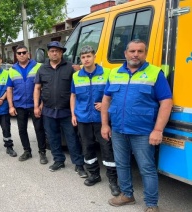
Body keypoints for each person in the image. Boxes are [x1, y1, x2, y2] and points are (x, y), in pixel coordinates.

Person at [101, 39, 173, 212]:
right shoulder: (114, 73)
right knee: (122, 164)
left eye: (140, 51)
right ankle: (127, 195)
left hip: (143, 131)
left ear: (145, 54)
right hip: (118, 129)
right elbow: (106, 99)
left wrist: (157, 130)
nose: (135, 54)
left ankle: (151, 204)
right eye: (132, 51)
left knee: (147, 168)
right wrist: (105, 124)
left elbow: (166, 102)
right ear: (125, 53)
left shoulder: (155, 73)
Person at [70, 46, 120, 196]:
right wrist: (73, 114)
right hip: (83, 118)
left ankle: (113, 180)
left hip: (101, 119)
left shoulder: (107, 73)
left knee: (107, 149)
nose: (86, 59)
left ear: (94, 57)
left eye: (88, 56)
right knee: (87, 147)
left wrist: (107, 104)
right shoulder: (76, 76)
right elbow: (73, 96)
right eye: (83, 57)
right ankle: (94, 175)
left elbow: (114, 94)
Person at [33, 41, 87, 177]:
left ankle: (79, 164)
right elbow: (37, 88)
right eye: (52, 51)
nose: (54, 53)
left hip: (67, 111)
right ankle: (58, 160)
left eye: (57, 50)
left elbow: (79, 86)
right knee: (53, 137)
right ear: (48, 53)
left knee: (72, 138)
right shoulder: (42, 69)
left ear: (62, 52)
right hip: (48, 110)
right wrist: (36, 106)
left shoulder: (70, 68)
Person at [6, 45, 48, 164]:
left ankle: (42, 152)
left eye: (24, 52)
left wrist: (42, 104)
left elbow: (45, 87)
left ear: (28, 54)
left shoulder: (39, 67)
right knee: (22, 129)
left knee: (39, 129)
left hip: (35, 104)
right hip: (19, 105)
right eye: (19, 53)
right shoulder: (12, 70)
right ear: (16, 55)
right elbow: (9, 89)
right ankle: (27, 151)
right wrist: (11, 106)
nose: (21, 55)